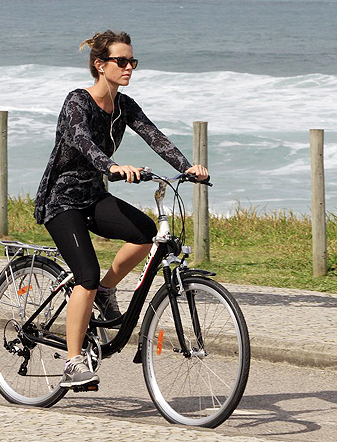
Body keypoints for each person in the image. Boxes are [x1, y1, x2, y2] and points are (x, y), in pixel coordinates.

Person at [34, 30, 208, 388]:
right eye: (122, 61)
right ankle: (73, 361)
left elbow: (154, 135)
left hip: (94, 196)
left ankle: (104, 291)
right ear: (100, 65)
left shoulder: (124, 106)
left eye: (133, 61)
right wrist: (110, 166)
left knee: (146, 235)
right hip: (62, 200)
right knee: (86, 272)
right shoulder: (77, 101)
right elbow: (81, 141)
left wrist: (186, 167)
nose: (129, 67)